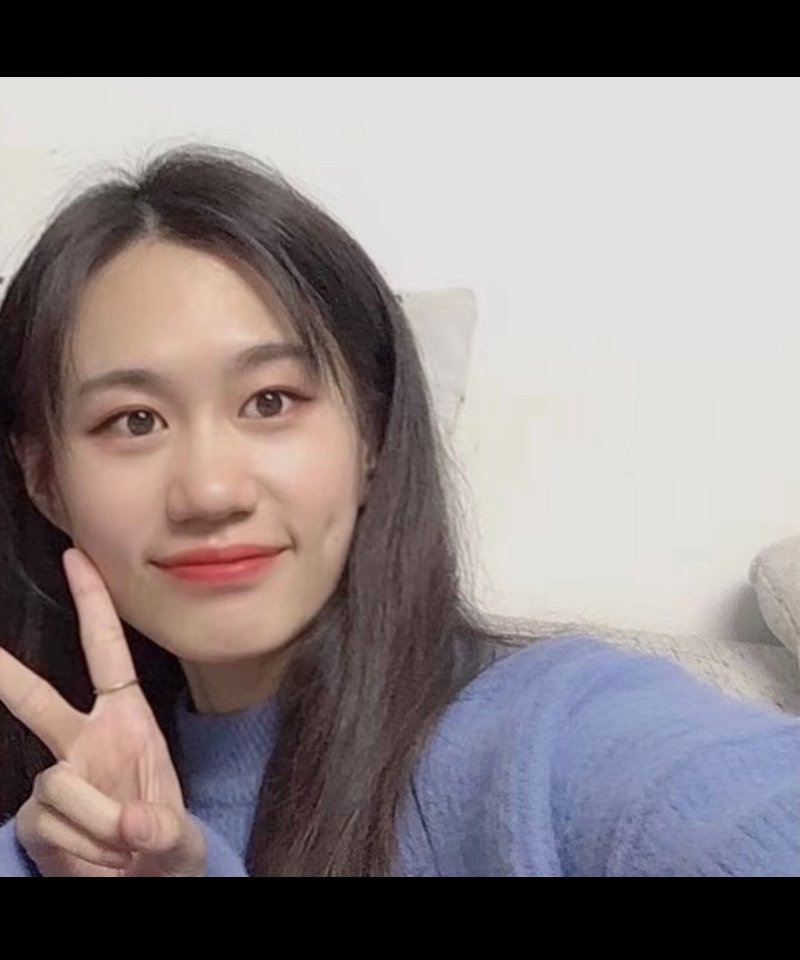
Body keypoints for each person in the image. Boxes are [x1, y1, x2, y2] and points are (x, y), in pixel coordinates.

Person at [0, 146, 797, 877]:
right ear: (43, 479)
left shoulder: (555, 733)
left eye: (271, 401)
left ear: (372, 436)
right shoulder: (49, 832)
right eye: (135, 421)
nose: (211, 492)